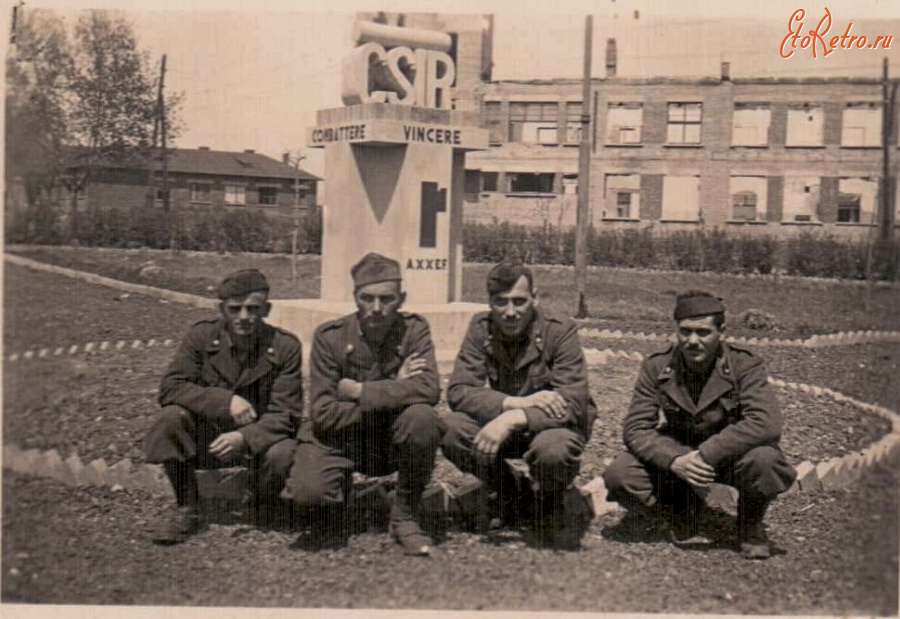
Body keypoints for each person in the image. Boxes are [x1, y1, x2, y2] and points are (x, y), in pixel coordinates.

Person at [603, 290, 797, 559]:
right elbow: (636, 428)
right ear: (677, 331)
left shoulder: (744, 365)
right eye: (685, 331)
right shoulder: (657, 366)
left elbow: (766, 422)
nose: (693, 341)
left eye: (703, 332)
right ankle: (680, 511)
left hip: (730, 455)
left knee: (766, 461)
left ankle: (750, 524)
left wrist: (706, 454)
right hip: (679, 454)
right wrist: (674, 460)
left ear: (721, 332)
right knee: (620, 474)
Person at [281, 253, 442, 555]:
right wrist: (397, 385)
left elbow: (430, 389)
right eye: (367, 298)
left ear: (401, 298)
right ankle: (339, 506)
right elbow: (324, 414)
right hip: (339, 439)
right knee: (308, 495)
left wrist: (358, 391)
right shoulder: (330, 338)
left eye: (387, 299)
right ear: (355, 297)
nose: (377, 309)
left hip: (386, 440)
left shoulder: (414, 330)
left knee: (422, 418)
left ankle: (404, 516)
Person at [440, 260, 598, 549]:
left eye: (519, 302)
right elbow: (459, 391)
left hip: (552, 427)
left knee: (553, 450)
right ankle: (511, 491)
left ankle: (549, 503)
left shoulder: (559, 330)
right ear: (489, 302)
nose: (510, 312)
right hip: (511, 425)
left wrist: (512, 418)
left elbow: (574, 402)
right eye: (500, 302)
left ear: (535, 298)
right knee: (451, 429)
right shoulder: (481, 328)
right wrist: (512, 404)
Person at [145, 269, 303, 544]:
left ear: (266, 309)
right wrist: (225, 401)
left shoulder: (284, 346)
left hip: (260, 443)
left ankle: (263, 503)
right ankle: (187, 508)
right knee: (170, 419)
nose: (244, 317)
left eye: (253, 308)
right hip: (209, 439)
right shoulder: (202, 337)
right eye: (235, 308)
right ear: (222, 309)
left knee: (285, 452)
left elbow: (286, 414)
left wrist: (245, 437)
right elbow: (170, 387)